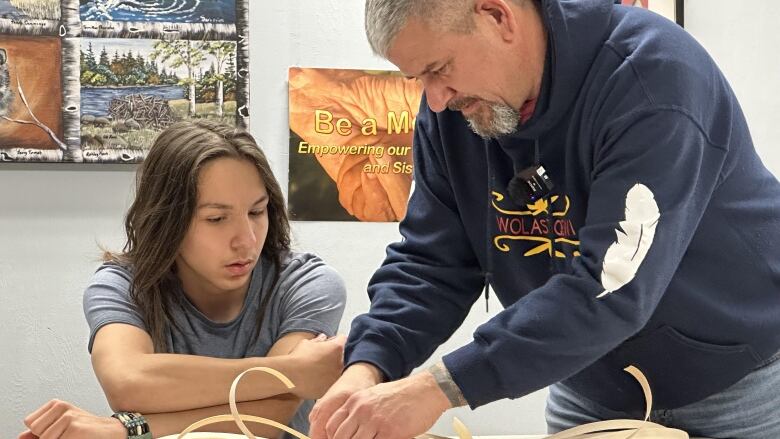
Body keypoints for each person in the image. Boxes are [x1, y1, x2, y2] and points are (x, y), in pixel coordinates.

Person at [309, 1, 780, 439]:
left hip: (739, 384)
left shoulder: (653, 77)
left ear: (497, 16)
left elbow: (610, 284)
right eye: (419, 79)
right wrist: (369, 365)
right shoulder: (456, 110)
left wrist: (439, 389)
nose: (434, 100)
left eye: (438, 69)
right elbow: (432, 261)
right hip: (591, 387)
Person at [19, 120, 347, 439]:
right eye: (216, 219)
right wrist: (293, 373)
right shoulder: (122, 284)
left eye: (257, 212)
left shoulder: (308, 284)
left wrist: (123, 431)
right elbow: (127, 381)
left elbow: (267, 418)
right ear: (167, 220)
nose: (246, 240)